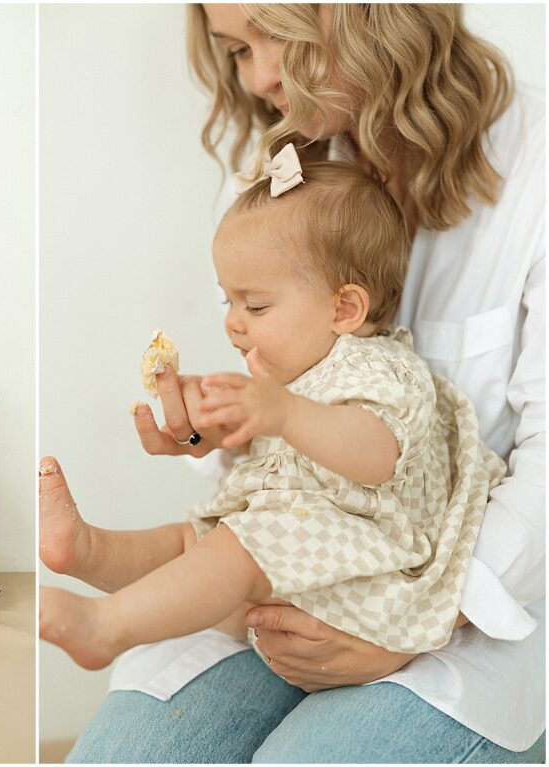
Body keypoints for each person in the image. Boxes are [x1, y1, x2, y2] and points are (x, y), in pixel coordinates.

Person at [49, 4, 545, 762]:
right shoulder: (285, 183)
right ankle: (92, 560)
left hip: (461, 594)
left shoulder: (535, 171)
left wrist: (413, 618)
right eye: (236, 49)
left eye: (275, 36)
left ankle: (106, 612)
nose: (259, 77)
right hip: (290, 575)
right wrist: (216, 429)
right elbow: (268, 441)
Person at [41, 153, 505, 671]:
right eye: (228, 303)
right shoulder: (294, 373)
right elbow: (274, 452)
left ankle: (107, 628)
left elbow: (379, 454)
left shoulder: (383, 368)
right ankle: (84, 551)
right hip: (295, 565)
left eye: (255, 306)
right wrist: (213, 427)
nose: (233, 325)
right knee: (192, 544)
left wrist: (283, 413)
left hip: (369, 573)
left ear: (344, 309)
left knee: (235, 552)